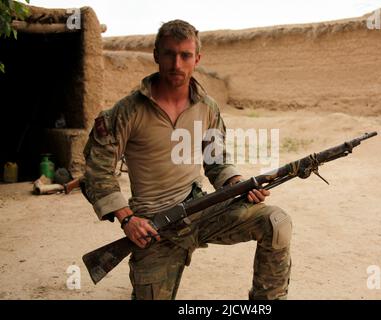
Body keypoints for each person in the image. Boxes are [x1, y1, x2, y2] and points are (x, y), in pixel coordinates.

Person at [82, 20, 292, 300]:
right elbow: (98, 171)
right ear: (156, 55)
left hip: (200, 209)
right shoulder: (126, 112)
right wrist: (128, 219)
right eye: (169, 54)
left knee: (276, 222)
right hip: (153, 227)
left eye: (185, 55)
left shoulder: (207, 107)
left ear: (197, 59)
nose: (176, 64)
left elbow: (215, 161)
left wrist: (239, 184)